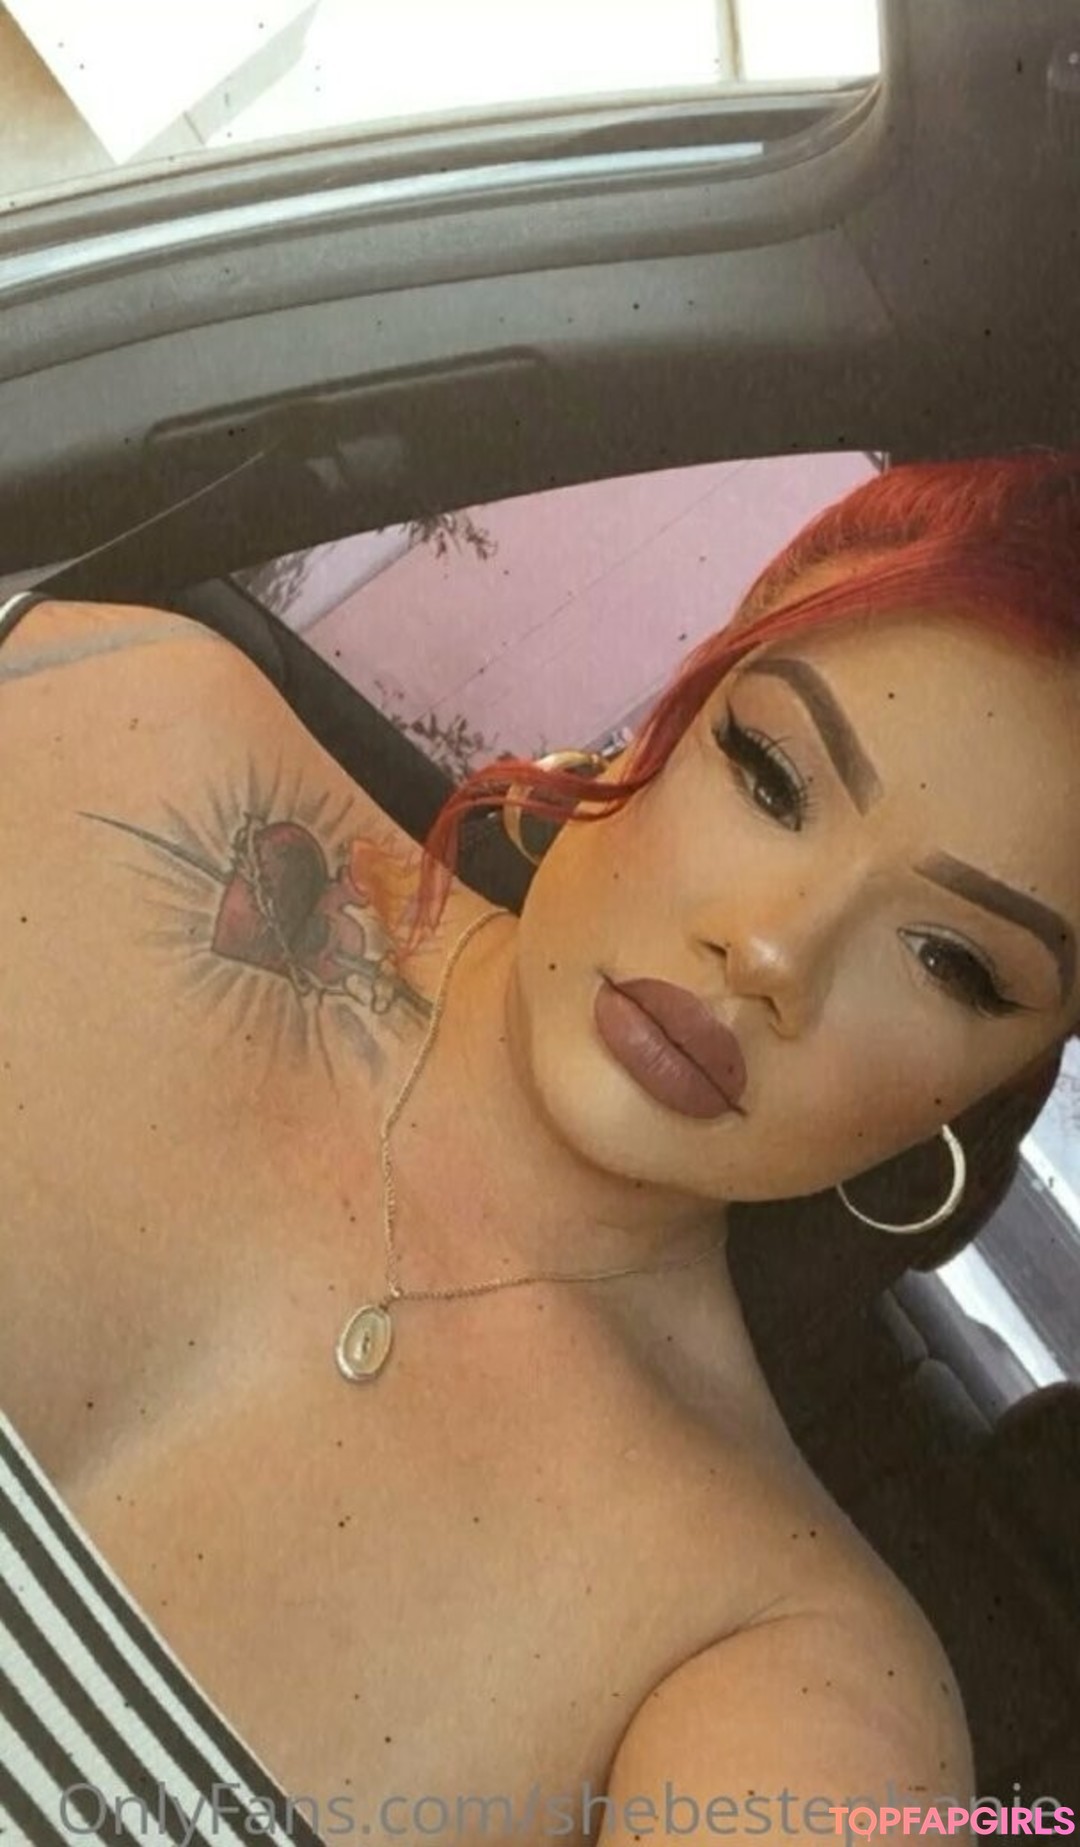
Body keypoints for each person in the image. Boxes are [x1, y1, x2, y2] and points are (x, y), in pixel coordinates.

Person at [3, 449, 1078, 1845]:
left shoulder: (773, 1650)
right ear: (671, 715)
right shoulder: (130, 730)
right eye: (770, 773)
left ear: (981, 1098)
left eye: (951, 961)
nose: (772, 951)